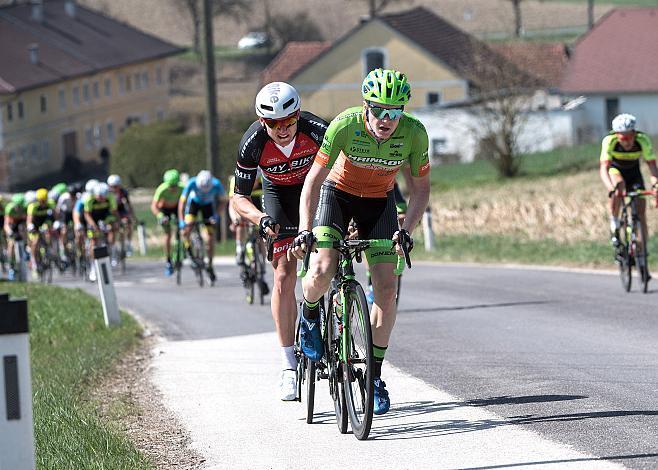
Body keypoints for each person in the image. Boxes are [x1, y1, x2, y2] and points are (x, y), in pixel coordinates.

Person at [289, 68, 431, 415]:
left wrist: (406, 230)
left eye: (395, 111)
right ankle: (309, 315)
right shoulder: (344, 125)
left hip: (379, 203)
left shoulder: (414, 134)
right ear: (366, 106)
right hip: (336, 195)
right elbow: (312, 181)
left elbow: (420, 189)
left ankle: (374, 377)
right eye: (379, 110)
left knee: (385, 286)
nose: (386, 119)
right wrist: (305, 229)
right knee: (322, 267)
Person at [232, 81, 328, 400]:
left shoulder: (316, 130)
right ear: (263, 122)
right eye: (273, 124)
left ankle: (340, 316)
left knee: (331, 255)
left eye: (288, 122)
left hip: (316, 189)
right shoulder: (252, 144)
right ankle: (289, 366)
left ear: (298, 115)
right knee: (284, 276)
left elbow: (345, 169)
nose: (282, 130)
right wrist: (261, 219)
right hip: (278, 196)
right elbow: (239, 198)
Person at [599, 113, 658, 279]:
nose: (627, 141)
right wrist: (610, 188)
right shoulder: (609, 141)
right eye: (622, 138)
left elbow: (652, 166)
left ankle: (642, 255)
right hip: (616, 171)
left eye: (630, 137)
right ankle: (615, 222)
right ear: (616, 135)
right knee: (619, 187)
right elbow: (604, 169)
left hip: (634, 173)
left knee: (641, 212)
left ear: (634, 133)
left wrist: (656, 185)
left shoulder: (643, 140)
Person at [178, 170, 226, 283]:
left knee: (210, 237)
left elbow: (223, 202)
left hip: (208, 207)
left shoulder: (217, 184)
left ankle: (209, 264)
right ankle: (188, 249)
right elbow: (182, 203)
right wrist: (181, 221)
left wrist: (216, 215)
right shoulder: (192, 183)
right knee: (187, 229)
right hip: (193, 204)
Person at [83, 182, 118, 281]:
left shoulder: (110, 197)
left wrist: (115, 223)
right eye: (99, 197)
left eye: (103, 197)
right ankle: (93, 268)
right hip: (93, 218)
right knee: (93, 241)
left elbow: (114, 212)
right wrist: (94, 226)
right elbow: (87, 215)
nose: (101, 199)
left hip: (105, 216)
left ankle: (112, 249)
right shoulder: (89, 199)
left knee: (112, 228)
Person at [151, 169, 183, 276]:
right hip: (164, 210)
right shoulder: (161, 189)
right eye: (171, 186)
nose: (173, 189)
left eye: (175, 186)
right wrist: (160, 216)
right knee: (168, 234)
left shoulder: (182, 187)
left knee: (183, 228)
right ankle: (168, 260)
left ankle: (184, 249)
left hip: (177, 208)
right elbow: (154, 206)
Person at [228, 172, 264, 266]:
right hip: (242, 201)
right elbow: (232, 204)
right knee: (240, 222)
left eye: (255, 181)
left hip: (257, 202)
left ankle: (262, 266)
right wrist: (235, 219)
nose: (253, 183)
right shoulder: (236, 181)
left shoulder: (263, 181)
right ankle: (240, 248)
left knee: (260, 234)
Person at [26, 188, 56, 278]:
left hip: (45, 223)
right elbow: (29, 219)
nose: (43, 203)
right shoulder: (33, 206)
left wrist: (56, 222)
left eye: (45, 200)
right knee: (35, 242)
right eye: (41, 201)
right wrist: (30, 226)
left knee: (48, 232)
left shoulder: (50, 203)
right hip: (35, 225)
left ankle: (49, 250)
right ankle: (35, 264)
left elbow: (55, 215)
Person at [107, 174, 135, 256]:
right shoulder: (107, 193)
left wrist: (131, 215)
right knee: (112, 229)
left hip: (120, 209)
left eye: (116, 186)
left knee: (128, 223)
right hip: (110, 211)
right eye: (112, 186)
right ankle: (113, 249)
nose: (114, 188)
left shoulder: (123, 192)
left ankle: (128, 243)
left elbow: (128, 204)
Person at [3, 193, 27, 280]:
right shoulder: (10, 208)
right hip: (12, 225)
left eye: (21, 206)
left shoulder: (25, 208)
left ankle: (25, 248)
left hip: (20, 224)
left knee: (23, 230)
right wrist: (9, 232)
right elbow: (6, 224)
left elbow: (26, 223)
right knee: (11, 243)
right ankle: (10, 265)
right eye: (18, 206)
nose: (20, 208)